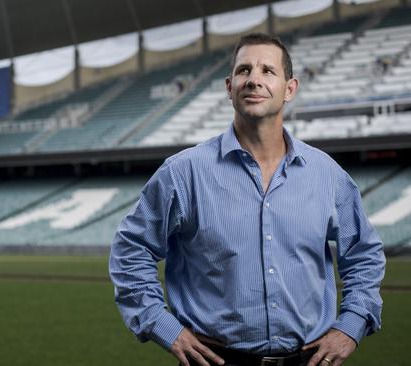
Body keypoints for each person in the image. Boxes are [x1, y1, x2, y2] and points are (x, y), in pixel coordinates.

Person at [109, 33, 385, 366]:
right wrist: (164, 326)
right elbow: (131, 250)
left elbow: (364, 254)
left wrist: (351, 325)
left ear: (290, 88)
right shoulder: (183, 173)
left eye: (268, 71)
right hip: (215, 360)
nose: (254, 80)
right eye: (244, 71)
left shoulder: (327, 175)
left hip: (310, 360)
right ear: (229, 87)